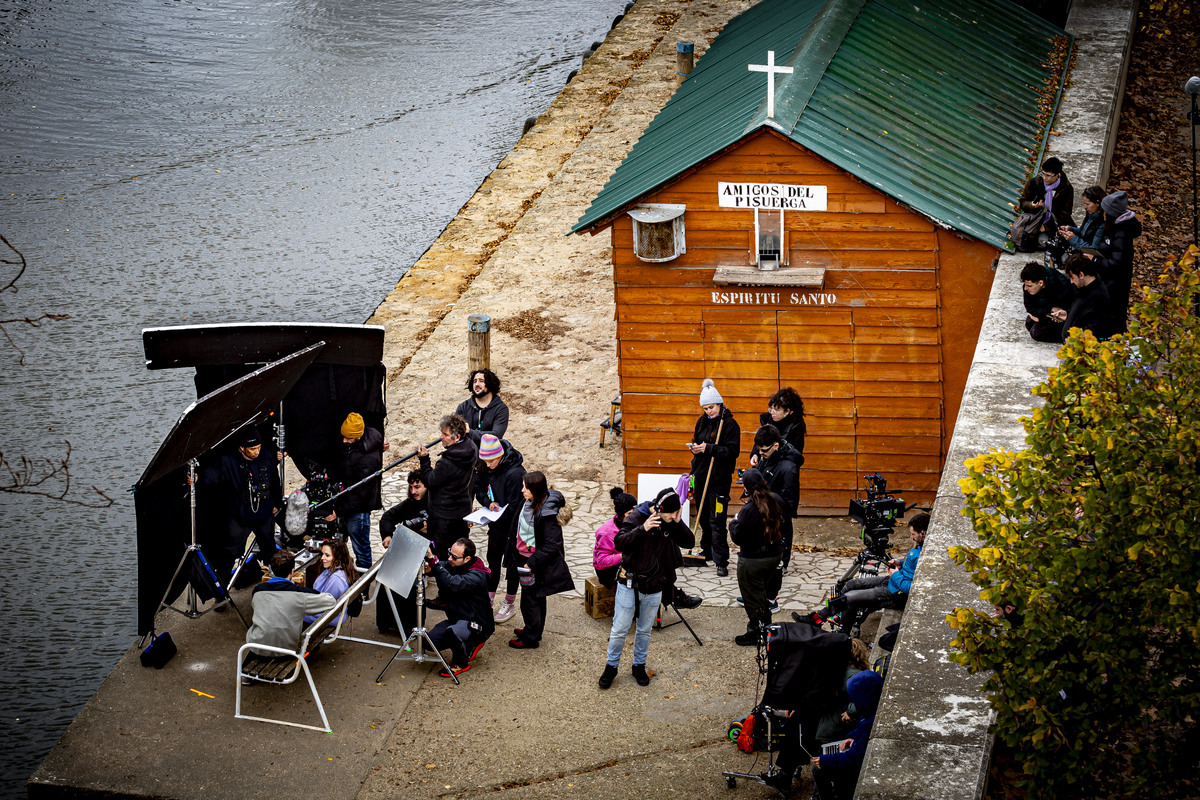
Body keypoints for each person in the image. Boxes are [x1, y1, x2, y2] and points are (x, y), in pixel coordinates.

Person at [598, 487, 694, 689]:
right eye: (672, 513)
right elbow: (620, 542)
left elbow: (689, 542)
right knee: (619, 629)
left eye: (678, 513)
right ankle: (611, 667)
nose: (675, 517)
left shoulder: (670, 521)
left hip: (655, 585)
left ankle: (638, 666)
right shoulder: (636, 517)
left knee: (644, 630)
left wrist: (678, 521)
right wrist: (643, 529)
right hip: (630, 584)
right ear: (658, 509)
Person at [802, 513, 928, 626]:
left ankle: (842, 635)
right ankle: (821, 617)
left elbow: (913, 588)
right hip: (894, 580)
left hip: (896, 594)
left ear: (923, 533)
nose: (911, 537)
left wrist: (895, 575)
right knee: (852, 584)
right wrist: (900, 563)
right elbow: (912, 568)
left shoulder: (927, 556)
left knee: (849, 598)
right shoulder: (920, 547)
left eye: (913, 534)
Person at [304, 412, 388, 572]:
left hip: (358, 510)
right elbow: (346, 466)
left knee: (361, 550)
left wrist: (338, 511)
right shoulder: (356, 445)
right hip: (347, 503)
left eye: (348, 438)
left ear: (357, 436)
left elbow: (362, 493)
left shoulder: (367, 460)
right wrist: (331, 474)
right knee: (344, 543)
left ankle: (362, 587)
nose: (344, 441)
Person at [202, 427, 282, 588]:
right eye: (252, 449)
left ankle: (279, 584)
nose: (256, 452)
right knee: (228, 555)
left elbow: (274, 480)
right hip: (239, 516)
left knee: (270, 550)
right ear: (241, 448)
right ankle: (221, 593)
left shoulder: (266, 455)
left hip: (264, 514)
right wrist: (196, 478)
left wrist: (277, 503)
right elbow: (211, 475)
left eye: (258, 448)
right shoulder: (228, 461)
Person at [506, 471, 574, 649]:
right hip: (523, 558)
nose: (522, 491)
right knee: (532, 598)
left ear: (535, 490)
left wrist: (531, 562)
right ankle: (532, 629)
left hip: (533, 563)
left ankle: (531, 638)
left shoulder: (546, 514)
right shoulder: (530, 502)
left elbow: (553, 544)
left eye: (526, 488)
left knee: (531, 601)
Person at [688, 378, 740, 577]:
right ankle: (707, 549)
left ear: (719, 404)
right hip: (701, 476)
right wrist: (696, 449)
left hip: (719, 479)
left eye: (712, 407)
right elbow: (697, 441)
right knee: (703, 517)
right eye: (706, 408)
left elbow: (732, 451)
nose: (709, 411)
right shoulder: (701, 421)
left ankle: (721, 561)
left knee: (717, 519)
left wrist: (709, 448)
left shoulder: (729, 424)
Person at [730, 468, 787, 646]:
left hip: (753, 561)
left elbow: (737, 537)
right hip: (774, 555)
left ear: (746, 489)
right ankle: (767, 627)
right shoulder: (776, 499)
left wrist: (733, 522)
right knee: (760, 593)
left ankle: (757, 632)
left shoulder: (748, 510)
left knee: (752, 598)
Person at [807, 670, 885, 800]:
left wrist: (826, 761)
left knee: (819, 770)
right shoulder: (870, 712)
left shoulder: (870, 719)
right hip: (856, 755)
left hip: (857, 767)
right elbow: (862, 732)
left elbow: (855, 757)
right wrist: (852, 737)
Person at [245, 549, 336, 660]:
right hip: (287, 652)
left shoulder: (257, 591)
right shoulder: (300, 594)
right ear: (292, 571)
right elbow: (330, 601)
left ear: (272, 570)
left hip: (256, 647)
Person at [424, 537, 495, 677]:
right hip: (458, 619)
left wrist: (433, 560)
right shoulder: (457, 564)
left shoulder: (477, 577)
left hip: (479, 625)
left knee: (453, 633)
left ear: (467, 558)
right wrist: (429, 567)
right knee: (428, 643)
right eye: (450, 553)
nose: (450, 558)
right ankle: (467, 643)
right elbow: (441, 568)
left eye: (454, 557)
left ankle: (460, 663)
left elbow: (451, 583)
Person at [473, 434, 526, 614]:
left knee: (512, 566)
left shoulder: (516, 473)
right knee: (493, 562)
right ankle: (489, 598)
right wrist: (488, 504)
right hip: (495, 525)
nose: (488, 465)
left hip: (512, 528)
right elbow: (479, 488)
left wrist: (493, 515)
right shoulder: (485, 464)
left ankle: (509, 602)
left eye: (492, 461)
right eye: (485, 462)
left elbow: (514, 506)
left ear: (501, 455)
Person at [753, 423, 802, 604]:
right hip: (765, 509)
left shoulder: (789, 467)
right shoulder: (768, 456)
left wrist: (773, 509)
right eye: (759, 450)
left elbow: (790, 501)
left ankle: (779, 570)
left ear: (776, 445)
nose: (761, 453)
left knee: (780, 541)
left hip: (777, 515)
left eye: (763, 450)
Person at [417, 414, 478, 558]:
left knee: (444, 556)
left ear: (457, 437)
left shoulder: (447, 463)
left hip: (444, 517)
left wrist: (424, 460)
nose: (441, 437)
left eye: (445, 434)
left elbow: (430, 481)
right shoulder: (471, 448)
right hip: (461, 511)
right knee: (459, 553)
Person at [375, 470, 428, 636]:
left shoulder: (437, 505)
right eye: (411, 487)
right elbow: (388, 517)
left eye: (418, 487)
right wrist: (387, 536)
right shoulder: (410, 504)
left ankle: (410, 623)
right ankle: (387, 622)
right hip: (406, 550)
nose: (414, 491)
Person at [1088, 190, 1142, 334]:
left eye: (1104, 211)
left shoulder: (1121, 234)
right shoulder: (1113, 228)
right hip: (1108, 281)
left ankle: (1121, 349)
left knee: (1114, 320)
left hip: (1116, 285)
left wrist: (1095, 259)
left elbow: (1117, 264)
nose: (1102, 214)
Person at [814, 638, 873, 745]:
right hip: (838, 727)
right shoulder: (853, 674)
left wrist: (851, 712)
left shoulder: (845, 673)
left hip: (832, 727)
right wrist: (851, 712)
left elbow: (866, 697)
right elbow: (868, 697)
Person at [1051, 253, 1115, 342]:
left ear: (1081, 275)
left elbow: (1094, 327)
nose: (1071, 282)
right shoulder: (1086, 288)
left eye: (1073, 277)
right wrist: (1068, 314)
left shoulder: (1095, 296)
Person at [1019, 156, 1074, 240]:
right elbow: (1023, 203)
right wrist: (1032, 205)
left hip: (1056, 223)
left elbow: (1065, 213)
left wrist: (1047, 226)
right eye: (1043, 173)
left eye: (1048, 175)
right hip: (1035, 221)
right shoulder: (1034, 183)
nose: (1044, 178)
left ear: (1058, 175)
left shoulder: (1066, 188)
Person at [303, 539, 354, 628]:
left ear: (337, 557)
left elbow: (326, 604)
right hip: (332, 612)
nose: (322, 558)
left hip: (330, 616)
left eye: (327, 555)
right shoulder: (339, 569)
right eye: (322, 554)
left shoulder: (336, 579)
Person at [1021, 261, 1075, 343]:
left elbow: (1066, 312)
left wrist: (1041, 319)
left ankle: (1067, 337)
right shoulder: (1030, 286)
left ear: (1040, 283)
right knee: (1029, 323)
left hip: (1064, 313)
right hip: (1050, 311)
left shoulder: (1061, 286)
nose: (1025, 288)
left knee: (1036, 332)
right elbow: (1030, 307)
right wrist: (1050, 309)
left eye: (1029, 286)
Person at [455, 368, 510, 446]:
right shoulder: (463, 407)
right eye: (475, 381)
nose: (477, 384)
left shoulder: (500, 409)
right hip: (466, 453)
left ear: (490, 384)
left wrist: (469, 432)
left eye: (481, 381)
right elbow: (455, 433)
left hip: (490, 454)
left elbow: (496, 435)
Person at [594, 487, 636, 588]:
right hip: (607, 572)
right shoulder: (607, 533)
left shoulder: (629, 523)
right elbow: (601, 561)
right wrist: (624, 555)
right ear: (621, 515)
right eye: (630, 514)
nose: (634, 517)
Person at [751, 387, 806, 460]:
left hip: (782, 467)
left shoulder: (796, 428)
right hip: (764, 464)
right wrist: (755, 454)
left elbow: (794, 455)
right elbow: (760, 441)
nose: (772, 412)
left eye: (777, 410)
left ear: (787, 412)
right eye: (772, 408)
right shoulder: (767, 420)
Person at [1057, 184, 1105, 251]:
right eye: (1084, 204)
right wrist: (1070, 229)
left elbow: (1093, 250)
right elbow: (1083, 232)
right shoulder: (1090, 214)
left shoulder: (1102, 223)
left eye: (1088, 204)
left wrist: (1073, 239)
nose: (1085, 207)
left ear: (1098, 203)